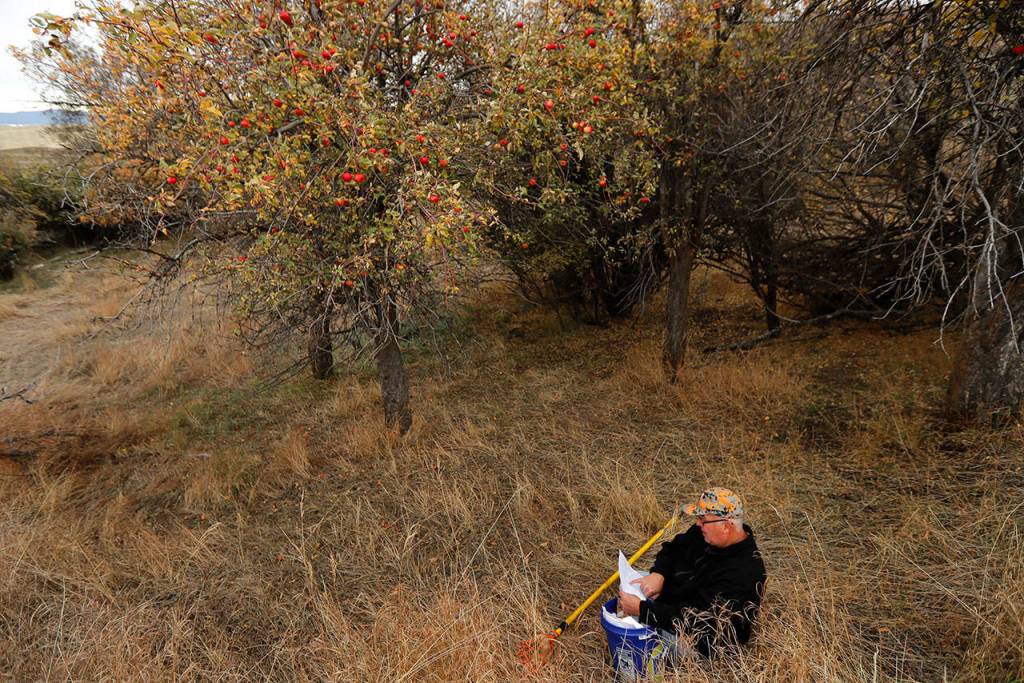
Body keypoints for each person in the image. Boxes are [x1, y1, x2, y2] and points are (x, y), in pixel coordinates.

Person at [617, 487, 767, 666]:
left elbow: (697, 621)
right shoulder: (707, 532)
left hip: (699, 641)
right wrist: (659, 574)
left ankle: (647, 661)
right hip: (677, 603)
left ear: (726, 526)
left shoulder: (744, 573)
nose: (697, 524)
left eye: (703, 520)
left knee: (636, 621)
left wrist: (643, 611)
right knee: (637, 581)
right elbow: (672, 549)